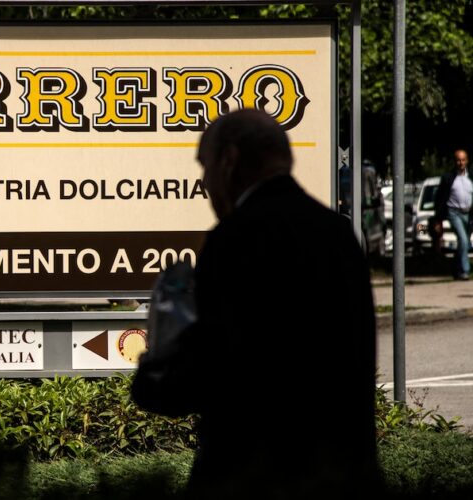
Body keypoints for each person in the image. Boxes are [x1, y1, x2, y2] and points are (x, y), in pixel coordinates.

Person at [131, 109, 378, 499]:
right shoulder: (338, 234)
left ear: (229, 160)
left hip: (256, 477)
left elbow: (217, 370)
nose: (205, 182)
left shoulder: (236, 238)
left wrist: (157, 361)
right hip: (346, 475)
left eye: (206, 166)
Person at [433, 149, 473, 280]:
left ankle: (456, 269)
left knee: (465, 243)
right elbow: (439, 198)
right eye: (458, 160)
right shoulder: (448, 178)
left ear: (466, 161)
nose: (461, 163)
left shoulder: (471, 177)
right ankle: (465, 271)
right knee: (463, 239)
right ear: (455, 161)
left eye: (463, 160)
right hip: (453, 212)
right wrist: (438, 219)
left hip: (468, 213)